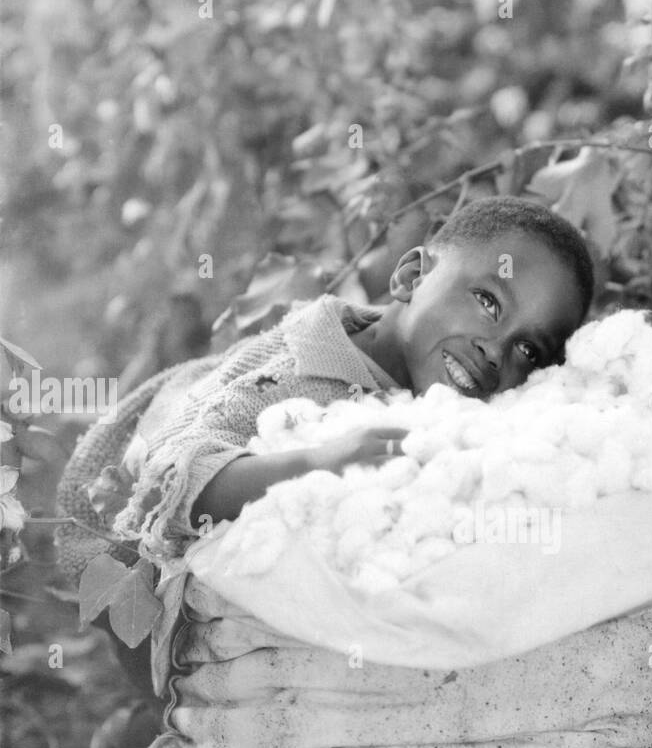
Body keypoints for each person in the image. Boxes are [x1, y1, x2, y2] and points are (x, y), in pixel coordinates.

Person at [113, 196, 594, 564]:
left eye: (528, 350)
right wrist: (324, 461)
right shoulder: (297, 372)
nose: (496, 351)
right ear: (410, 277)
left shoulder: (465, 429)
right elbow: (166, 484)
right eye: (488, 302)